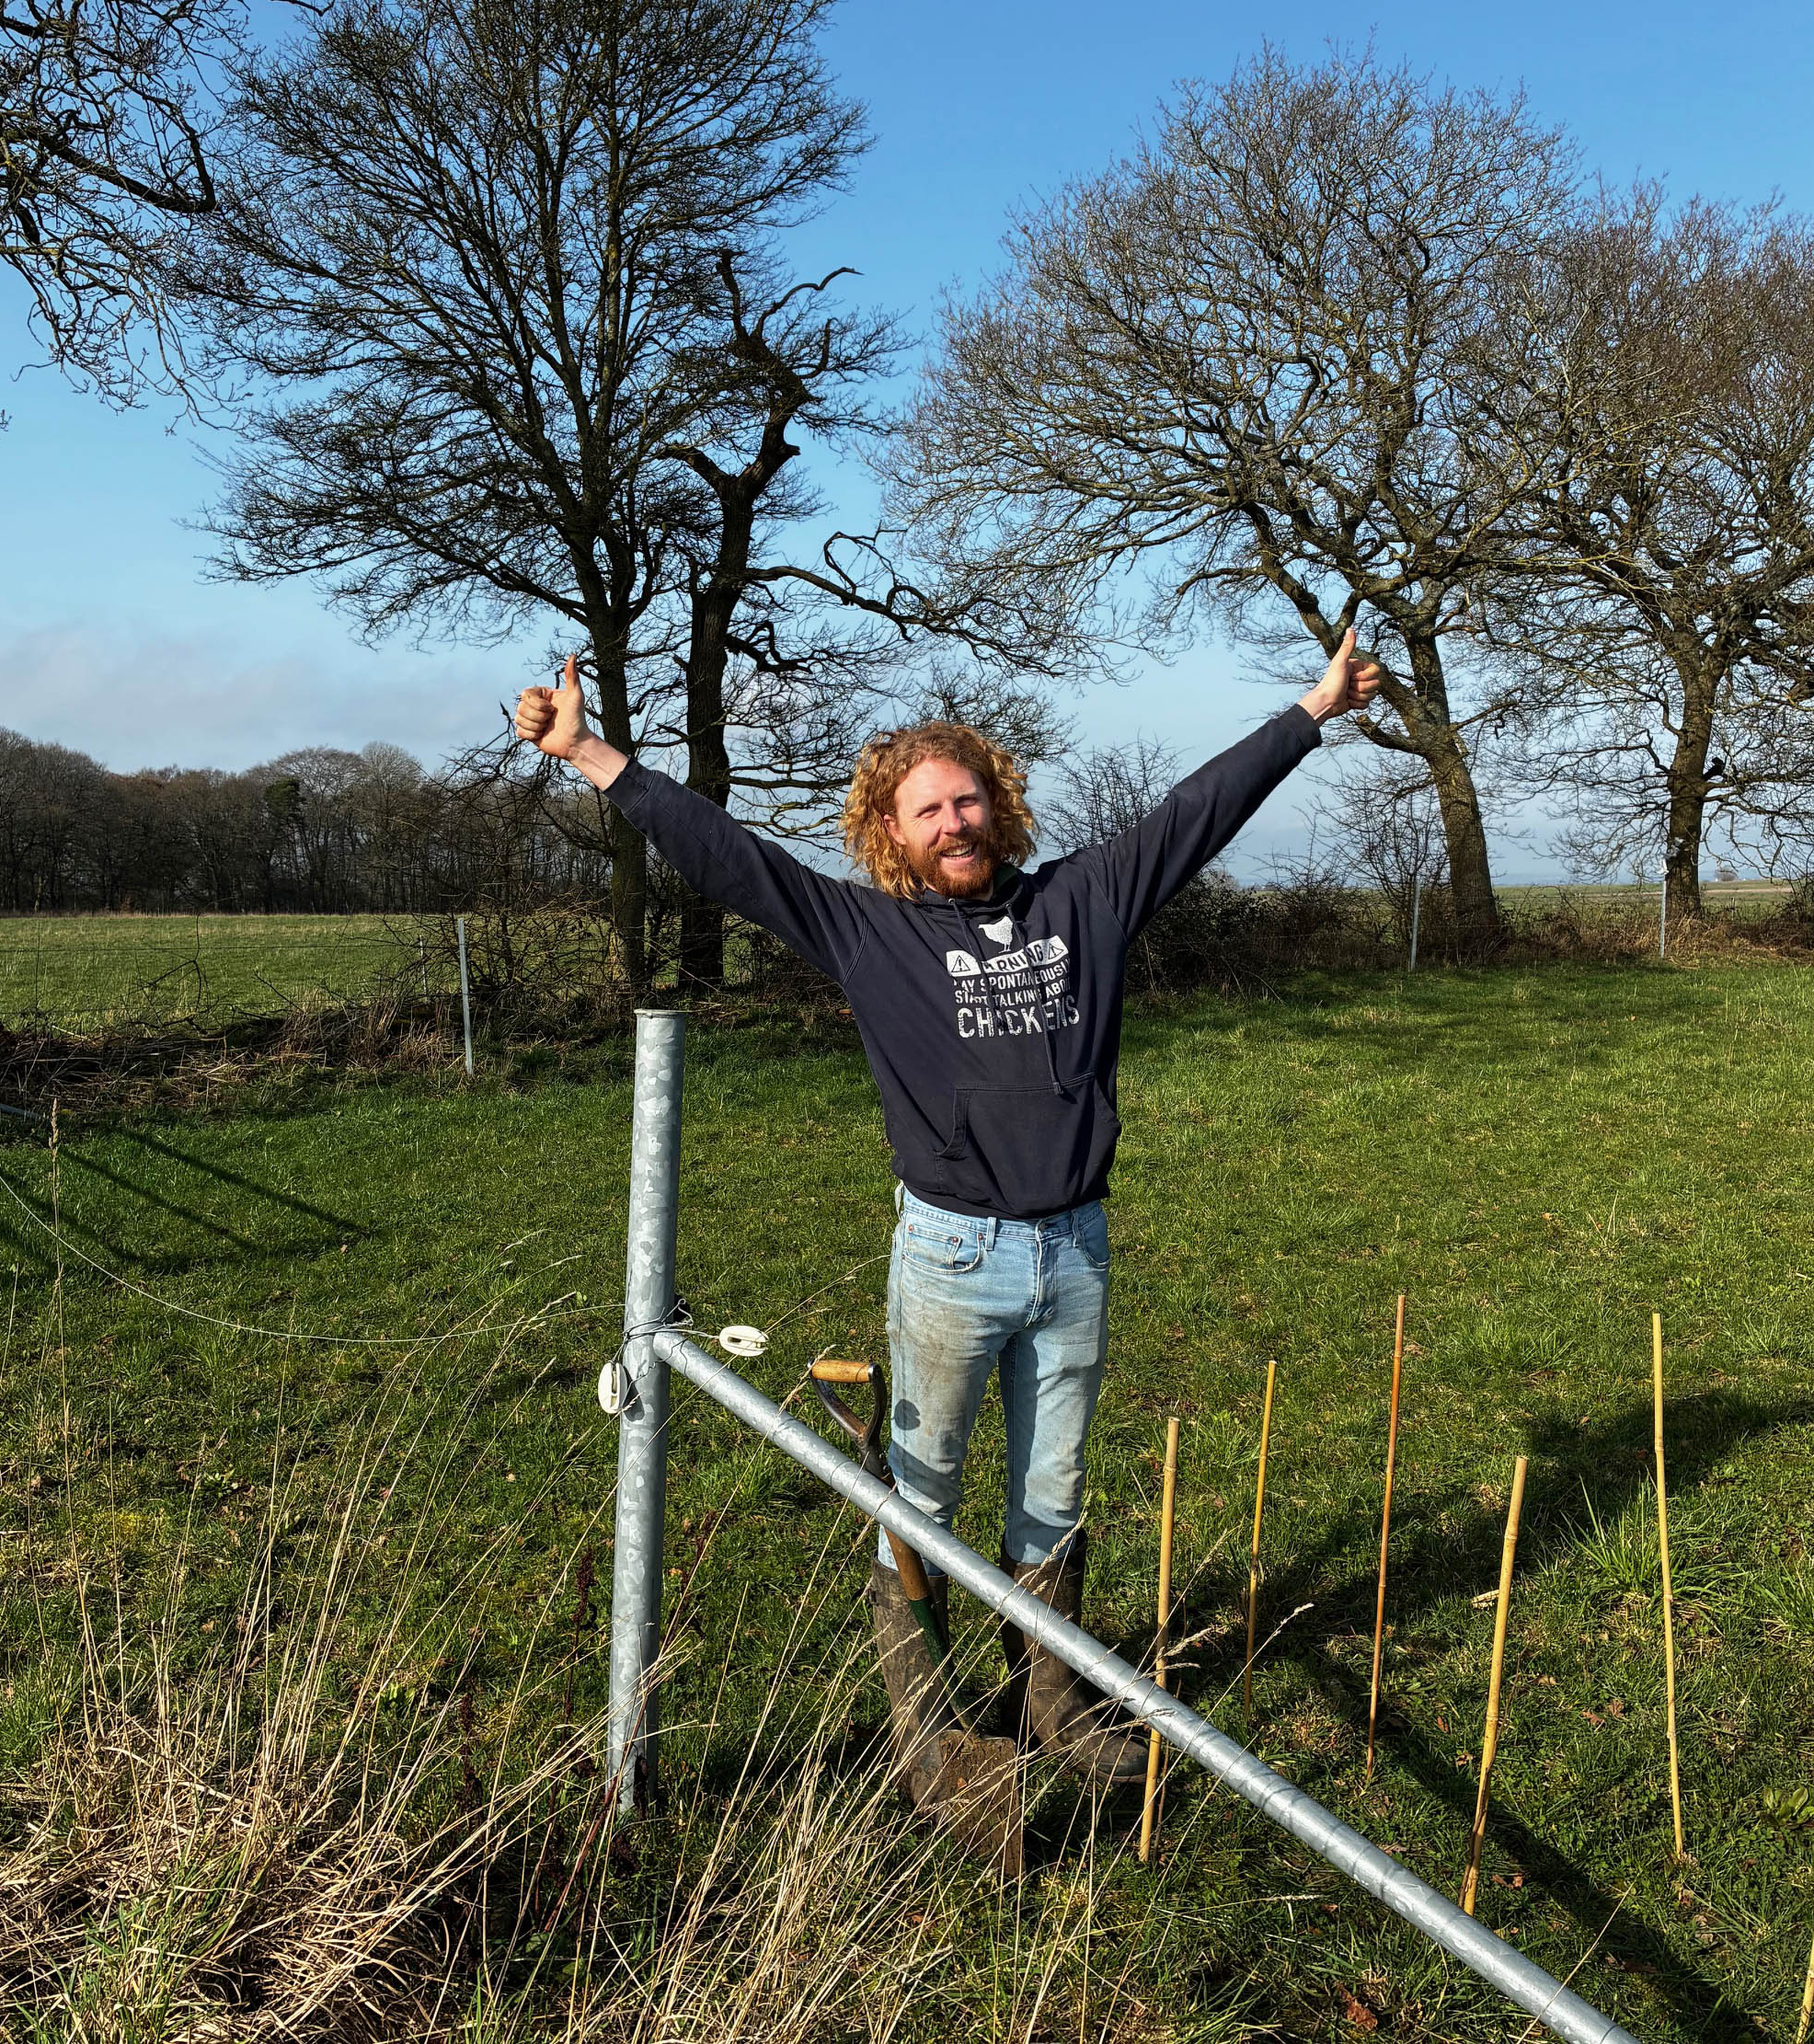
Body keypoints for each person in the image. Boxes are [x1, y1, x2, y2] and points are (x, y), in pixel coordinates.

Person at [515, 640, 1381, 1808]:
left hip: (1075, 1249)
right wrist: (590, 754)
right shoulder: (868, 933)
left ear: (1000, 804)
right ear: (892, 831)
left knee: (1055, 1494)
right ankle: (929, 1740)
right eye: (926, 808)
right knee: (914, 1493)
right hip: (950, 1257)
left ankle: (1055, 1704)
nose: (954, 819)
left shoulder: (1087, 897)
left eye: (968, 796)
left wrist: (1314, 707)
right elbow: (728, 857)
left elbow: (1197, 810)